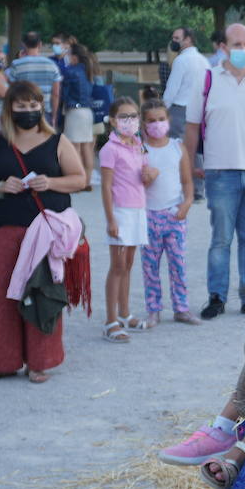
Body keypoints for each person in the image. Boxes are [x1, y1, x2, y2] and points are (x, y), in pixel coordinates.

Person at [0, 80, 86, 382]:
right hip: (2, 229)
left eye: (34, 105)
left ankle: (40, 361)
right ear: (10, 108)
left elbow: (79, 178)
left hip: (45, 232)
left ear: (42, 108)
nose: (28, 111)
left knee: (42, 292)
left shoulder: (58, 141)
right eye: (22, 106)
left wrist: (50, 182)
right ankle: (0, 362)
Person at [184, 23, 245, 320]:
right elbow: (191, 127)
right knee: (221, 238)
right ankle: (217, 296)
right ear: (223, 47)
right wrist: (189, 165)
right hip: (220, 171)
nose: (243, 49)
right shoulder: (207, 80)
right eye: (237, 44)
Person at [140, 98, 197, 326]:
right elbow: (132, 184)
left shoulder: (177, 147)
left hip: (174, 215)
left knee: (178, 264)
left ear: (168, 120)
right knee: (150, 267)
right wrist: (144, 179)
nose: (157, 124)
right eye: (151, 121)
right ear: (143, 123)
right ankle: (153, 309)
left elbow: (187, 181)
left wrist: (188, 202)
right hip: (148, 216)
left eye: (161, 119)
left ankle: (181, 308)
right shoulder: (139, 150)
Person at [98, 97, 149, 341]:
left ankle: (125, 313)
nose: (129, 121)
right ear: (113, 120)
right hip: (120, 212)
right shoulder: (110, 149)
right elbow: (106, 187)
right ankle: (110, 320)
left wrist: (150, 174)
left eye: (133, 116)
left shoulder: (139, 145)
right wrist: (111, 219)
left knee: (128, 265)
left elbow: (143, 177)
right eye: (124, 116)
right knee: (117, 267)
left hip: (138, 211)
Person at [60, 42, 97, 187]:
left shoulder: (71, 71)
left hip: (75, 112)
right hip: (88, 112)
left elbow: (64, 92)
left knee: (74, 147)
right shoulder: (88, 70)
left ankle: (76, 181)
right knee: (87, 147)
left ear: (74, 57)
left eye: (68, 54)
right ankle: (87, 181)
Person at [6, 31, 62, 122]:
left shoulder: (16, 64)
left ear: (23, 44)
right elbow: (56, 94)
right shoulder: (52, 65)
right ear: (40, 44)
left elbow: (12, 89)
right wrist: (54, 116)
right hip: (44, 110)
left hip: (23, 110)